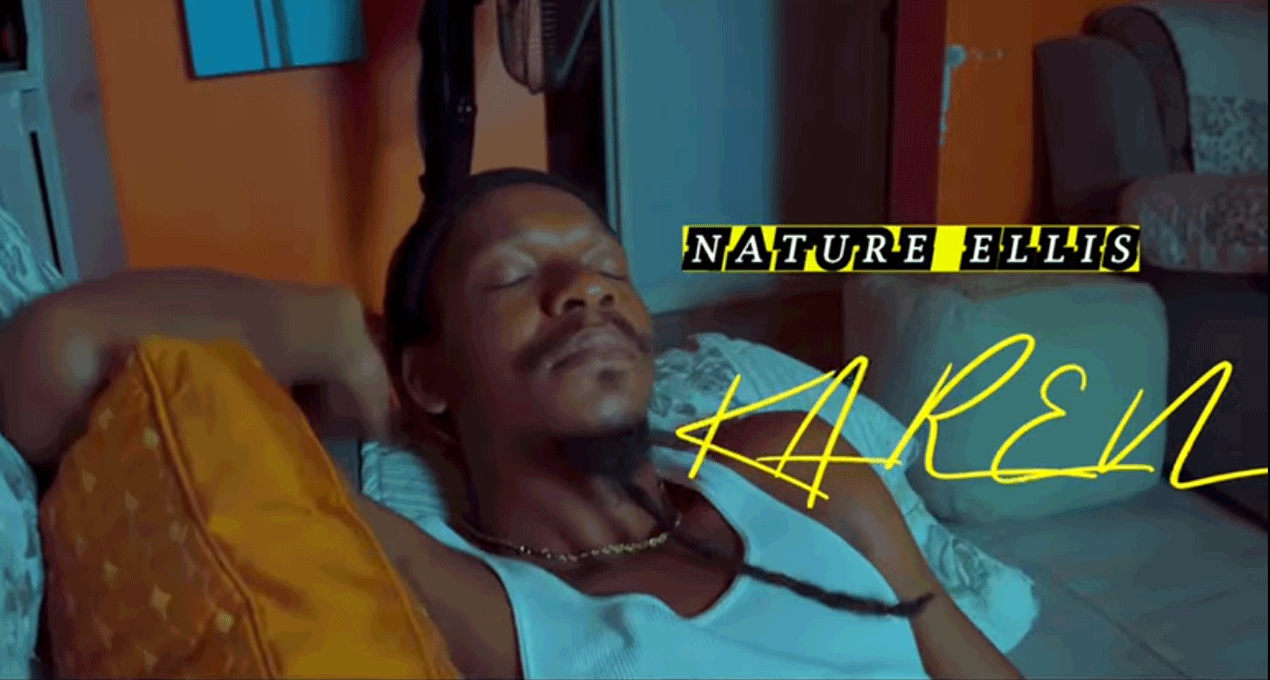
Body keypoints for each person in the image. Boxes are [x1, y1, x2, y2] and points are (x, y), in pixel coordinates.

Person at [0, 168, 1022, 680]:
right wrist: (313, 326)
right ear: (427, 378)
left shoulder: (791, 461)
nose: (586, 290)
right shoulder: (471, 599)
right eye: (513, 277)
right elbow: (53, 358)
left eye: (608, 268)